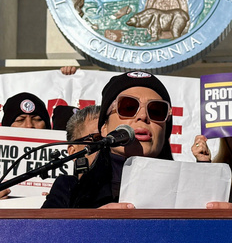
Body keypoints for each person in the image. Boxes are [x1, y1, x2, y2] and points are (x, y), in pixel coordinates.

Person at [43, 71, 174, 209]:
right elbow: (42, 231)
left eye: (156, 111)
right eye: (128, 107)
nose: (142, 116)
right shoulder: (69, 189)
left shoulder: (190, 188)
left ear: (165, 131)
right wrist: (95, 223)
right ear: (104, 128)